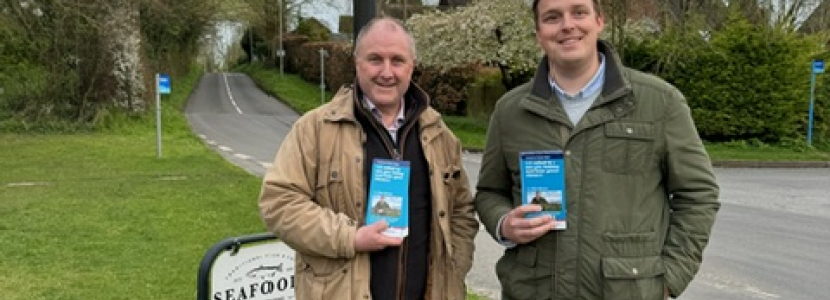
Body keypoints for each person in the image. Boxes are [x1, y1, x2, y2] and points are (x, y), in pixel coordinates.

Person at [473, 0, 721, 299]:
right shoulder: (511, 111)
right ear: (538, 33)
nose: (567, 25)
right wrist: (504, 223)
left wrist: (670, 277)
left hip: (627, 291)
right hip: (533, 290)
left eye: (579, 12)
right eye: (552, 17)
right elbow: (489, 192)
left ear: (599, 21)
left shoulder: (659, 102)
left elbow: (698, 195)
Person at [258, 17, 477, 300]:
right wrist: (350, 238)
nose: (386, 72)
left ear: (412, 66)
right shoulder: (314, 129)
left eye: (397, 61)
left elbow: (461, 211)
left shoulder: (440, 135)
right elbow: (279, 203)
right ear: (356, 62)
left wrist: (455, 269)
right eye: (375, 59)